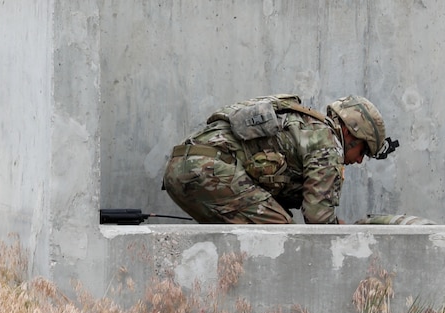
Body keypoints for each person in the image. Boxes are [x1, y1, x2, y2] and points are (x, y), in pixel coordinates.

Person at [161, 94, 404, 225]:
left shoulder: (304, 126)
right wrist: (337, 230)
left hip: (179, 168)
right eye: (362, 151)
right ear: (351, 133)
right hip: (209, 169)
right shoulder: (327, 143)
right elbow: (318, 219)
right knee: (280, 233)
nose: (359, 161)